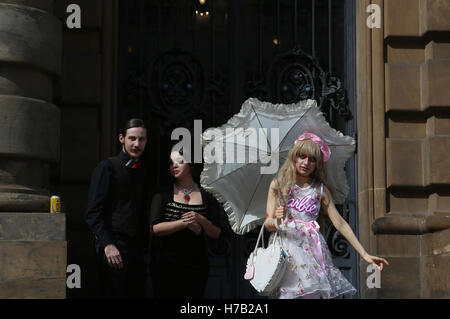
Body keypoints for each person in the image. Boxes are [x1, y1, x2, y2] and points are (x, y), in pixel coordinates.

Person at [264, 132, 389, 299]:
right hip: (287, 250)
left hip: (312, 252)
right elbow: (268, 224)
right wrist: (278, 219)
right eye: (302, 156)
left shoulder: (320, 190)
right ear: (294, 156)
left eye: (312, 159)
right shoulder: (278, 185)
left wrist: (364, 254)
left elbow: (340, 224)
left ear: (318, 164)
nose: (306, 162)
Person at [149, 148, 228, 299]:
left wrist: (199, 218)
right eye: (171, 163)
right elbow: (154, 228)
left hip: (196, 264)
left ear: (191, 164)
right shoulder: (163, 193)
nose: (174, 166)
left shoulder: (206, 195)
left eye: (180, 162)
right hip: (166, 265)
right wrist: (185, 223)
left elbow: (217, 232)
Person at [85, 118, 149, 298]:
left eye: (141, 139)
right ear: (121, 138)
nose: (137, 144)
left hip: (136, 252)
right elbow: (92, 213)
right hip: (114, 249)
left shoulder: (142, 171)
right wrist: (108, 244)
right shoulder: (107, 167)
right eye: (132, 138)